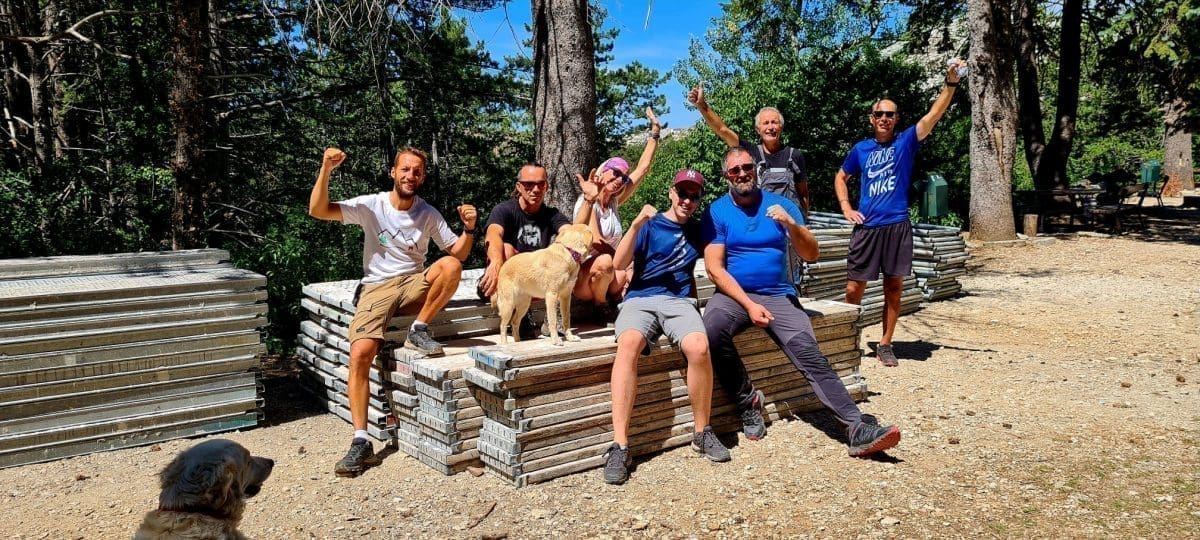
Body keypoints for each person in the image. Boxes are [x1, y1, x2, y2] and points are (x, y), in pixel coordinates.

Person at [702, 146, 901, 458]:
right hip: (733, 295)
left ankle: (855, 427)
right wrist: (749, 305)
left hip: (778, 294)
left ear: (756, 169)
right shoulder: (717, 211)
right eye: (735, 170)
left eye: (747, 167)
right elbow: (715, 268)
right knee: (710, 331)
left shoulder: (782, 205)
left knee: (808, 352)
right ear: (726, 175)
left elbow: (812, 254)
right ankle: (747, 400)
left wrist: (791, 226)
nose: (742, 174)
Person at [308, 146, 478, 477]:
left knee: (450, 266)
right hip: (377, 287)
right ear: (393, 172)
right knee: (360, 354)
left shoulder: (427, 213)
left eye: (417, 171)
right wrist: (326, 169)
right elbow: (318, 210)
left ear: (422, 177)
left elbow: (457, 252)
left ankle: (419, 328)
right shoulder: (372, 205)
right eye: (405, 169)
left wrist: (469, 229)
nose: (410, 176)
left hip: (413, 283)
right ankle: (361, 440)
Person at [834, 59, 965, 367]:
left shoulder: (905, 142)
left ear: (896, 119)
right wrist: (846, 207)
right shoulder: (861, 149)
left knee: (893, 288)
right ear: (872, 118)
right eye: (879, 114)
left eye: (889, 114)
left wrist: (951, 84)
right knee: (853, 288)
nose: (884, 118)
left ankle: (885, 343)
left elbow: (934, 115)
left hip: (896, 226)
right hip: (867, 228)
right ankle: (844, 340)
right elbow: (841, 177)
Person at [602, 168, 730, 484]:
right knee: (628, 344)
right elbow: (618, 264)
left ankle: (702, 431)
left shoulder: (699, 230)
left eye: (694, 196)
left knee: (699, 347)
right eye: (682, 193)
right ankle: (619, 445)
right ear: (672, 193)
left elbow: (723, 254)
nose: (687, 200)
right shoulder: (649, 223)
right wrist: (635, 224)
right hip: (640, 299)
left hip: (679, 301)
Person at [477, 163, 599, 336]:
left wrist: (588, 200)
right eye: (529, 184)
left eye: (540, 184)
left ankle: (549, 320)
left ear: (546, 186)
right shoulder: (504, 210)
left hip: (537, 280)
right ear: (518, 186)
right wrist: (496, 262)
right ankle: (521, 316)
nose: (535, 189)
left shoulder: (551, 214)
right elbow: (493, 235)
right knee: (506, 248)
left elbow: (572, 232)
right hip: (506, 278)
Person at [571, 107, 663, 322]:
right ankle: (601, 306)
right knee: (606, 261)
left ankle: (627, 304)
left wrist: (655, 132)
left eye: (624, 177)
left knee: (641, 262)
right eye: (616, 172)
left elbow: (643, 168)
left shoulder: (613, 202)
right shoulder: (588, 203)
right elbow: (596, 241)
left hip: (611, 274)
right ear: (603, 171)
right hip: (585, 277)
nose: (620, 179)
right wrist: (626, 259)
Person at [687, 82, 809, 212]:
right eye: (765, 123)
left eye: (774, 122)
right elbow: (723, 130)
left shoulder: (794, 155)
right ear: (758, 129)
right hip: (762, 219)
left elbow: (803, 194)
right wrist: (702, 105)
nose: (770, 127)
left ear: (781, 127)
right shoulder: (751, 152)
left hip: (790, 219)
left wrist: (803, 218)